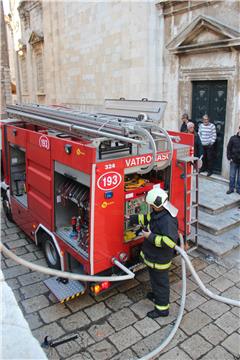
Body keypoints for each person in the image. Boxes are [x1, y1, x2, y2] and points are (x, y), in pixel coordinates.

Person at [129, 188, 178, 319]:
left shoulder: (167, 220)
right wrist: (132, 218)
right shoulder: (160, 211)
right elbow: (147, 218)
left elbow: (170, 242)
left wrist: (149, 236)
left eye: (150, 205)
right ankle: (156, 296)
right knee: (155, 281)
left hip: (159, 260)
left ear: (156, 205)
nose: (149, 207)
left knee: (161, 284)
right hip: (154, 257)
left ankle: (162, 309)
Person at [226, 126, 240, 194]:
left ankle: (238, 189)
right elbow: (228, 148)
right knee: (232, 175)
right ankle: (231, 188)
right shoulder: (233, 138)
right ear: (239, 129)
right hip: (233, 160)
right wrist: (229, 157)